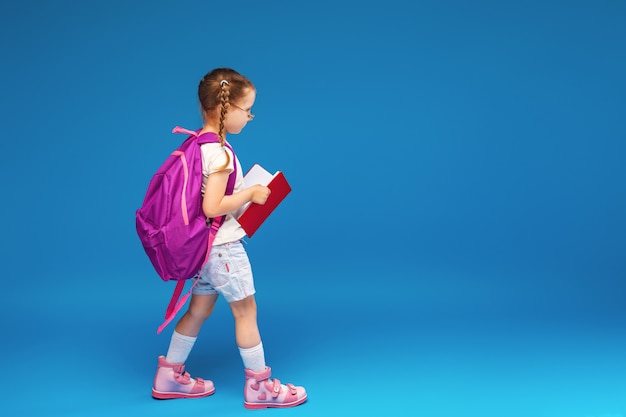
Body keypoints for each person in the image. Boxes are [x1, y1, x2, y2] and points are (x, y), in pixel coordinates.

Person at [151, 68, 307, 409]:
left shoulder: (196, 143)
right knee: (246, 311)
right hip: (223, 249)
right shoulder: (220, 153)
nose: (250, 117)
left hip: (205, 251)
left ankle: (169, 374)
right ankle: (260, 387)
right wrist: (251, 192)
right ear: (227, 109)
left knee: (199, 309)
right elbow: (212, 206)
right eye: (247, 110)